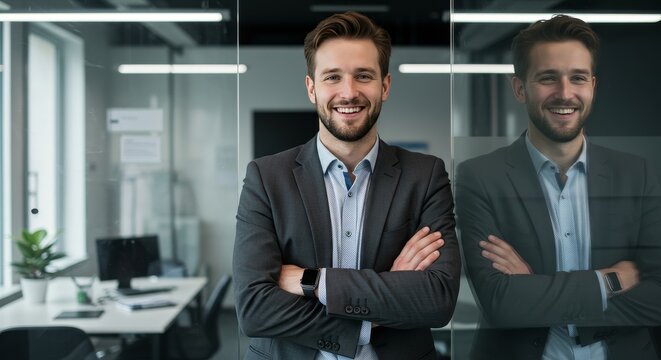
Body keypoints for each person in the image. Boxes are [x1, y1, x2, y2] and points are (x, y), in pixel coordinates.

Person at [233, 11, 460, 360]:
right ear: (312, 88)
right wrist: (375, 313)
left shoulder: (425, 175)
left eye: (363, 76)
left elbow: (437, 300)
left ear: (385, 85)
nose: (349, 92)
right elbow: (254, 308)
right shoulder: (266, 177)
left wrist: (313, 281)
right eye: (332, 77)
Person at [455, 15, 661, 359]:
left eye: (577, 78)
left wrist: (536, 292)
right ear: (520, 88)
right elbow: (501, 303)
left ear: (592, 85)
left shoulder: (636, 174)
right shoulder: (480, 177)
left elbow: (658, 297)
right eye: (548, 78)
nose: (565, 94)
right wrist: (608, 281)